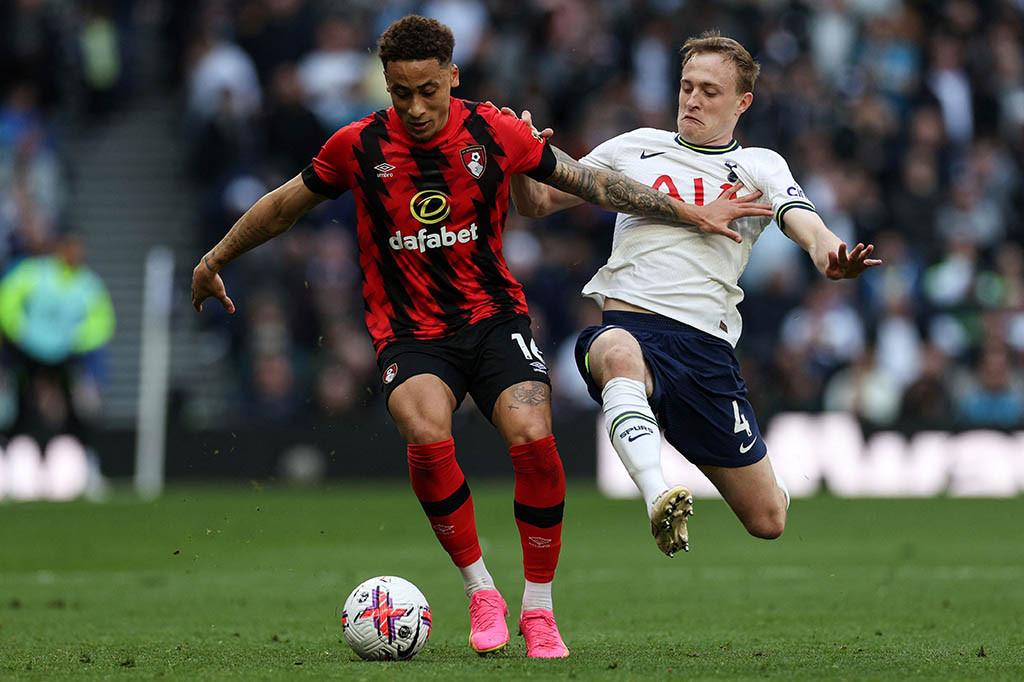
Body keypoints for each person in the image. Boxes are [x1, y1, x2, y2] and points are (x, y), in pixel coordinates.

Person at [190, 17, 771, 658]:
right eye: (400, 91)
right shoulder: (358, 145)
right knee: (424, 424)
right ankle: (481, 590)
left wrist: (690, 212)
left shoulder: (493, 132)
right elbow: (283, 206)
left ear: (453, 77)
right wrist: (214, 258)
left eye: (428, 91)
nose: (414, 107)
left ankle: (540, 609)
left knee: (533, 435)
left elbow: (591, 182)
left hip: (493, 317)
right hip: (411, 331)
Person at [509, 31, 882, 557]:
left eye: (709, 90)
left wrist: (830, 256)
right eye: (687, 86)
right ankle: (658, 494)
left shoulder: (760, 164)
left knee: (768, 518)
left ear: (742, 102)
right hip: (631, 326)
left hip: (706, 351)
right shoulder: (633, 147)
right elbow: (539, 201)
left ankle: (711, 458)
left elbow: (806, 223)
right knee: (614, 353)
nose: (693, 99)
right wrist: (526, 160)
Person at [0, 230, 115, 446]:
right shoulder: (36, 273)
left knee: (78, 400)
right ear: (60, 250)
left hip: (66, 354)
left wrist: (76, 339)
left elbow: (103, 320)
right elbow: (7, 298)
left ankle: (82, 442)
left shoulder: (88, 284)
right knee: (16, 394)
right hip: (26, 350)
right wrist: (19, 330)